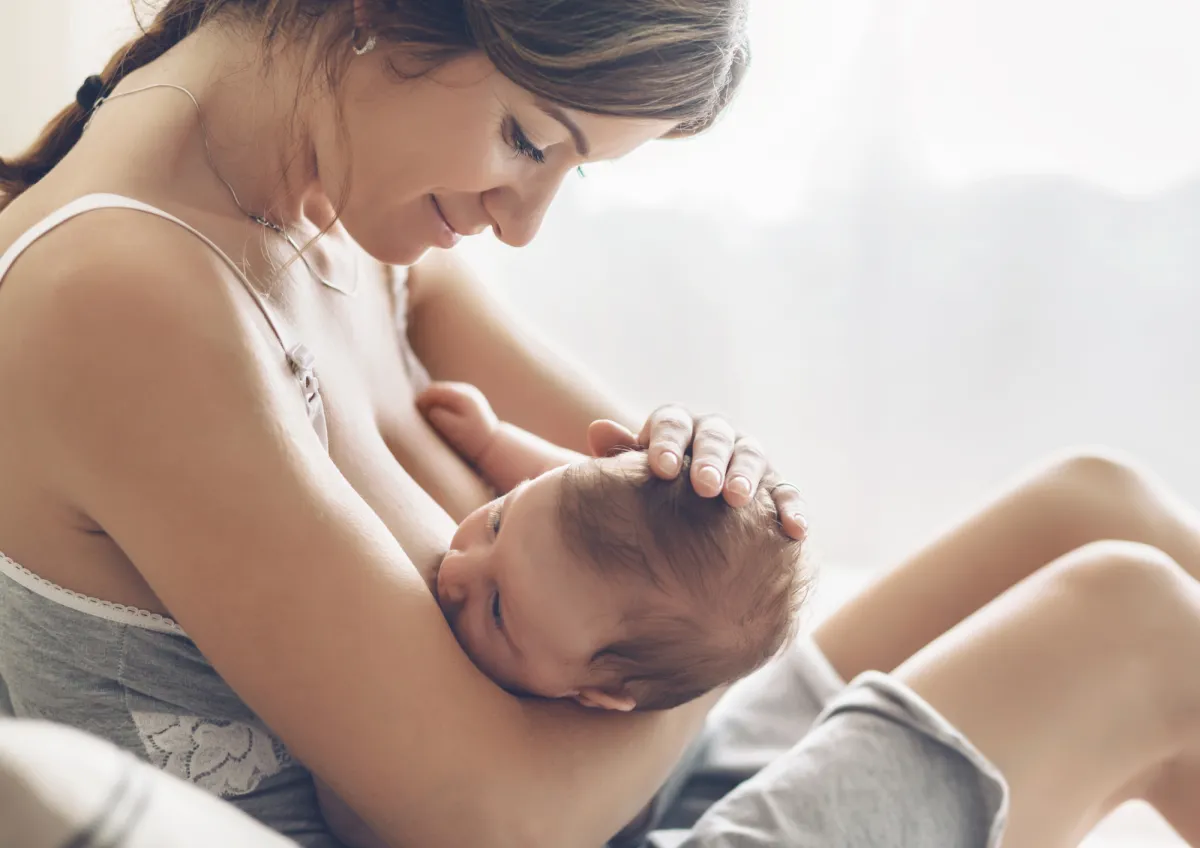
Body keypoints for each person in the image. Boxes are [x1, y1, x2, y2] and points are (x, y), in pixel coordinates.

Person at [1, 2, 1200, 848]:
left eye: (569, 169)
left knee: (1096, 503)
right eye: (529, 138)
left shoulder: (351, 220)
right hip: (553, 825)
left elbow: (685, 531)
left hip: (622, 803)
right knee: (1134, 628)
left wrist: (720, 533)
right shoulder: (130, 295)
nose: (522, 224)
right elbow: (499, 822)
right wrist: (725, 620)